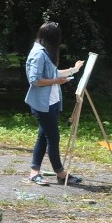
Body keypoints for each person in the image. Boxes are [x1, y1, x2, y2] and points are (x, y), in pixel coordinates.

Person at [24, 21, 84, 186]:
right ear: (51, 38)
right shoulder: (38, 53)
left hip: (52, 102)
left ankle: (34, 172)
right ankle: (61, 174)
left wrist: (73, 69)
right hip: (42, 104)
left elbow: (53, 73)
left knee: (43, 137)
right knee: (53, 138)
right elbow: (35, 80)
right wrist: (56, 81)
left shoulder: (44, 52)